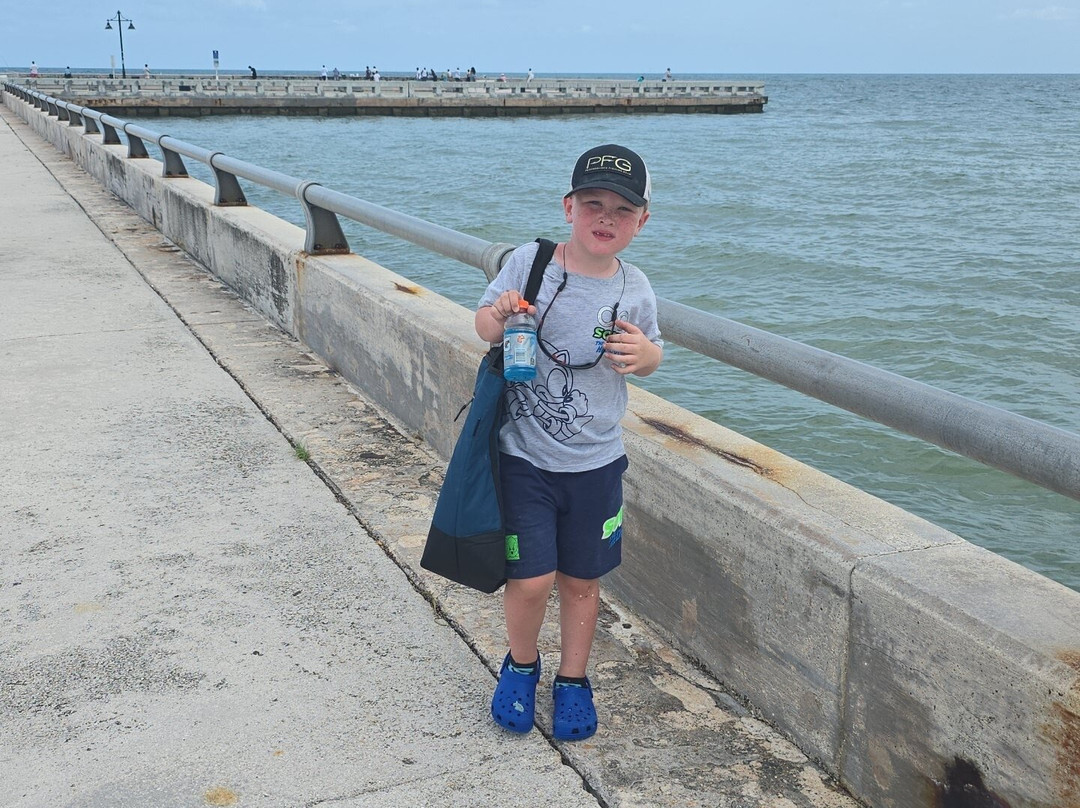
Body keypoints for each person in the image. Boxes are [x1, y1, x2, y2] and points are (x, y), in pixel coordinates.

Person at [475, 144, 663, 742]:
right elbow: (482, 324)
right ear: (568, 208)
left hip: (597, 463)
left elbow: (652, 354)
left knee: (583, 582)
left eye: (621, 210)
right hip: (524, 456)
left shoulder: (634, 289)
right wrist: (502, 315)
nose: (604, 218)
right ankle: (522, 666)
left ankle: (574, 679)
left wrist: (646, 356)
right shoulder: (531, 263)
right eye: (592, 204)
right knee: (528, 579)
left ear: (641, 221)